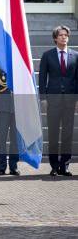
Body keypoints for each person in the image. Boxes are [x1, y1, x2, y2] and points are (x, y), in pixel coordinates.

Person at [38, 25, 76, 177]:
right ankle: (54, 166)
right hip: (52, 100)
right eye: (60, 35)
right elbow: (42, 78)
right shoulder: (47, 55)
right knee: (53, 134)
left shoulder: (76, 55)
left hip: (70, 100)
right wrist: (43, 98)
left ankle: (65, 166)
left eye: (66, 35)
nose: (64, 37)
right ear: (55, 38)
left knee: (68, 134)